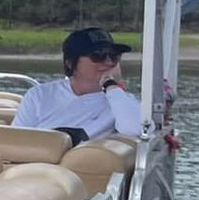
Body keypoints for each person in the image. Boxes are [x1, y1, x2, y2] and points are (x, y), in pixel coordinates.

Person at [12, 27, 144, 140]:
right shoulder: (39, 95)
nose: (109, 62)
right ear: (71, 63)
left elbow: (136, 129)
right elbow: (17, 139)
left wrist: (111, 85)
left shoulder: (120, 102)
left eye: (114, 56)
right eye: (98, 56)